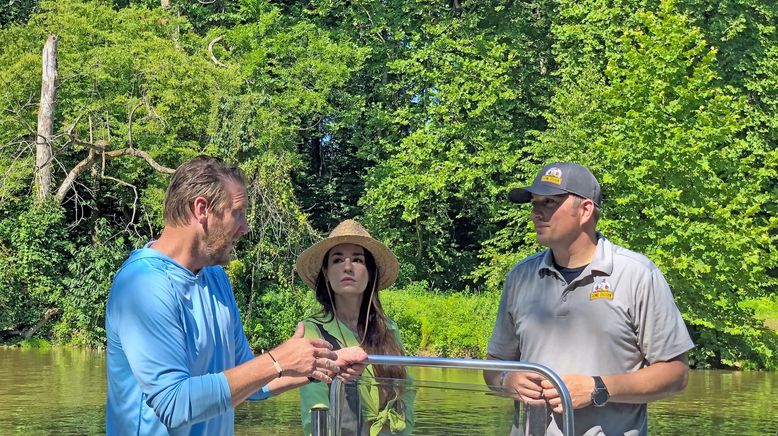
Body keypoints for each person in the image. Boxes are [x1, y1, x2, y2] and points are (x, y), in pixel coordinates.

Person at [105, 156, 367, 435]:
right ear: (202, 209)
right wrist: (276, 361)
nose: (245, 227)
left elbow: (250, 377)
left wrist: (322, 365)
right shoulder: (143, 285)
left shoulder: (215, 278)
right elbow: (174, 404)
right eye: (238, 212)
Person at [484, 162, 694, 436]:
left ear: (585, 210)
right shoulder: (520, 278)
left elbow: (676, 374)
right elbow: (493, 366)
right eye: (534, 203)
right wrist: (507, 380)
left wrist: (599, 388)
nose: (536, 213)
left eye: (549, 202)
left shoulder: (637, 274)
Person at [295, 219, 416, 436]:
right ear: (326, 272)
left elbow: (406, 392)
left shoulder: (389, 329)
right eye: (338, 260)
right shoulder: (312, 330)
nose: (348, 267)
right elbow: (314, 402)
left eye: (358, 260)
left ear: (370, 273)